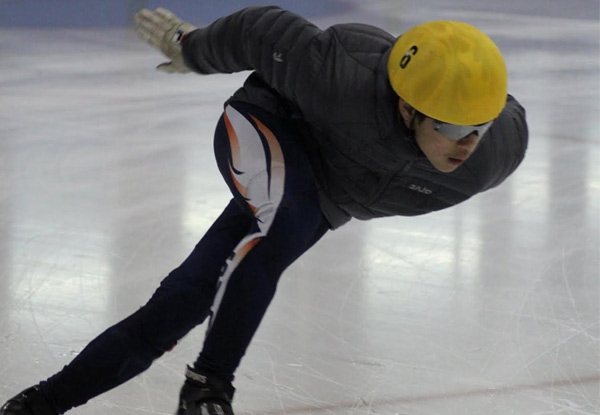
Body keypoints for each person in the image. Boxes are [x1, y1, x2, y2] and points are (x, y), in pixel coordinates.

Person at [1, 5, 528, 415]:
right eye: (453, 128)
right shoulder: (341, 77)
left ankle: (41, 403)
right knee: (286, 218)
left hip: (325, 191)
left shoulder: (494, 154)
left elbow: (479, 131)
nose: (469, 145)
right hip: (272, 123)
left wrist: (474, 127)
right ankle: (209, 385)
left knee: (183, 302)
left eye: (480, 125)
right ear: (407, 106)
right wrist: (193, 47)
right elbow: (266, 31)